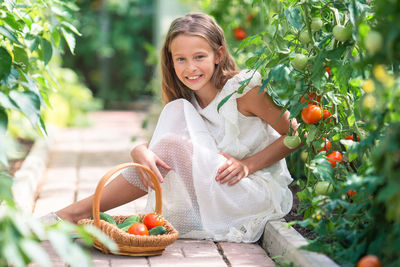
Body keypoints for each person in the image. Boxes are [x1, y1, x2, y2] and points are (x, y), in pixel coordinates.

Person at [42, 12, 299, 243]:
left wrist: (248, 164)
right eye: (181, 59)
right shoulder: (187, 99)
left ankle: (75, 213)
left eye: (200, 57)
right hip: (215, 189)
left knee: (170, 143)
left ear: (219, 54)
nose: (190, 68)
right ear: (171, 61)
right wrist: (138, 150)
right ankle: (79, 212)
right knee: (171, 125)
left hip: (251, 192)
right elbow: (165, 144)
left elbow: (297, 133)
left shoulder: (244, 91)